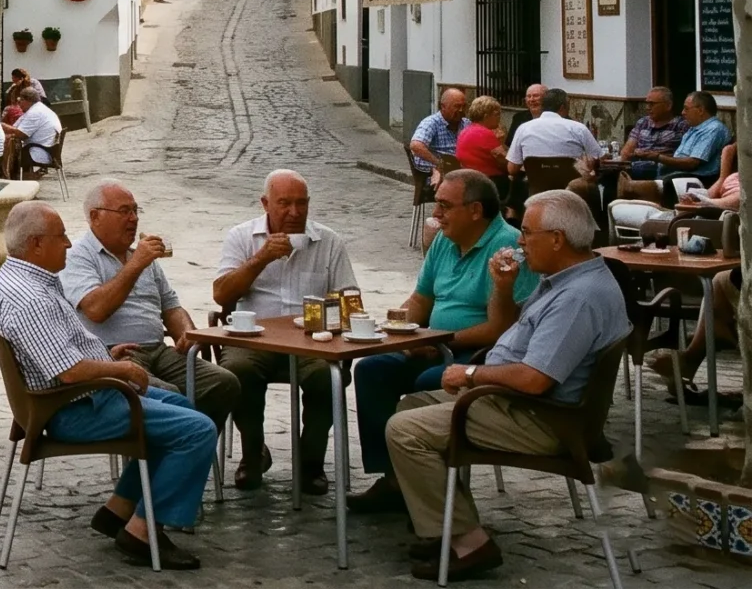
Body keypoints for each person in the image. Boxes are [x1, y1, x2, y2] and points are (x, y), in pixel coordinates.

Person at [384, 189, 629, 582]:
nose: (518, 240)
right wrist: (502, 287)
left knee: (404, 430)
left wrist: (470, 375)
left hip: (543, 418)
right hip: (519, 403)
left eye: (527, 232)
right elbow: (509, 332)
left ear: (556, 239)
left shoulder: (578, 298)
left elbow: (534, 379)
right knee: (411, 406)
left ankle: (471, 543)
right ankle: (444, 522)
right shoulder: (565, 279)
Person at [0, 199, 216, 570]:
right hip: (70, 409)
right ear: (37, 244)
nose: (70, 245)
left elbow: (58, 350)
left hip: (68, 398)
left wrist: (106, 352)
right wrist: (123, 371)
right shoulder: (30, 298)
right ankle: (142, 531)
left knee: (184, 408)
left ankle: (118, 509)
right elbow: (70, 371)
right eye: (61, 238)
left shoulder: (19, 279)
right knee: (197, 429)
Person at [346, 170, 538, 512]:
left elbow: (507, 327)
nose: (436, 214)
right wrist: (397, 329)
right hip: (436, 345)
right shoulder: (445, 243)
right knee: (372, 369)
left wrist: (438, 340)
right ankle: (394, 478)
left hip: (483, 355)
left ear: (475, 211)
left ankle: (432, 489)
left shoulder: (508, 249)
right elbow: (421, 299)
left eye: (445, 206)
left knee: (425, 382)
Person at [213, 169, 357, 493]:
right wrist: (260, 259)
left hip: (312, 341)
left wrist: (330, 316)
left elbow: (350, 297)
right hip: (254, 338)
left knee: (326, 376)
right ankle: (253, 454)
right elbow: (221, 295)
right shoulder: (241, 236)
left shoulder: (328, 241)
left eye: (301, 204)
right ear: (266, 204)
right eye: (284, 204)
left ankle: (311, 461)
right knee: (236, 371)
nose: (294, 213)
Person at [62, 180, 240, 426]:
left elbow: (171, 305)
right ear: (95, 217)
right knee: (170, 396)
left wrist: (187, 331)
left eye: (135, 211)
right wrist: (136, 265)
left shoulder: (142, 257)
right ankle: (176, 449)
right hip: (113, 355)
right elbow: (96, 309)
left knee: (223, 383)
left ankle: (190, 450)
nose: (133, 219)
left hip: (159, 350)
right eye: (124, 211)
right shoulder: (77, 257)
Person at [652, 142, 740, 396]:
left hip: (718, 213)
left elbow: (735, 201)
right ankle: (698, 351)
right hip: (711, 210)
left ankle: (695, 354)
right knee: (720, 280)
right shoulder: (737, 170)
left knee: (722, 280)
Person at [507, 87, 603, 202]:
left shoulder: (524, 128)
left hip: (536, 192)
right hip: (572, 192)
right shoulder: (578, 128)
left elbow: (512, 169)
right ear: (563, 107)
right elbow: (598, 158)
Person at [612, 87, 686, 191]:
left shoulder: (681, 125)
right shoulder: (643, 122)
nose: (648, 107)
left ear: (668, 106)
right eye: (646, 103)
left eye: (652, 104)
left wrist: (653, 155)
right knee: (609, 173)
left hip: (662, 168)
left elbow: (680, 156)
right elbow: (627, 151)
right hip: (635, 163)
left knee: (631, 172)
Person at [411, 87, 468, 176]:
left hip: (459, 168)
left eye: (463, 106)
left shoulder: (466, 123)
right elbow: (416, 146)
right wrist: (439, 163)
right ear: (443, 106)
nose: (461, 110)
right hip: (436, 171)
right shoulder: (431, 122)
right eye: (457, 106)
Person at [10, 85, 63, 172]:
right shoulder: (37, 109)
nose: (19, 103)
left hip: (40, 152)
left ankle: (13, 179)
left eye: (21, 100)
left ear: (28, 100)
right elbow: (16, 126)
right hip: (45, 150)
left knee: (8, 152)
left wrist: (4, 127)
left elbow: (21, 134)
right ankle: (22, 177)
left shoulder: (35, 112)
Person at [454, 96, 509, 178]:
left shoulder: (465, 130)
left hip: (469, 178)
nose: (499, 118)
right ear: (486, 116)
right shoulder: (485, 133)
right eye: (497, 114)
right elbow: (505, 161)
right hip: (489, 180)